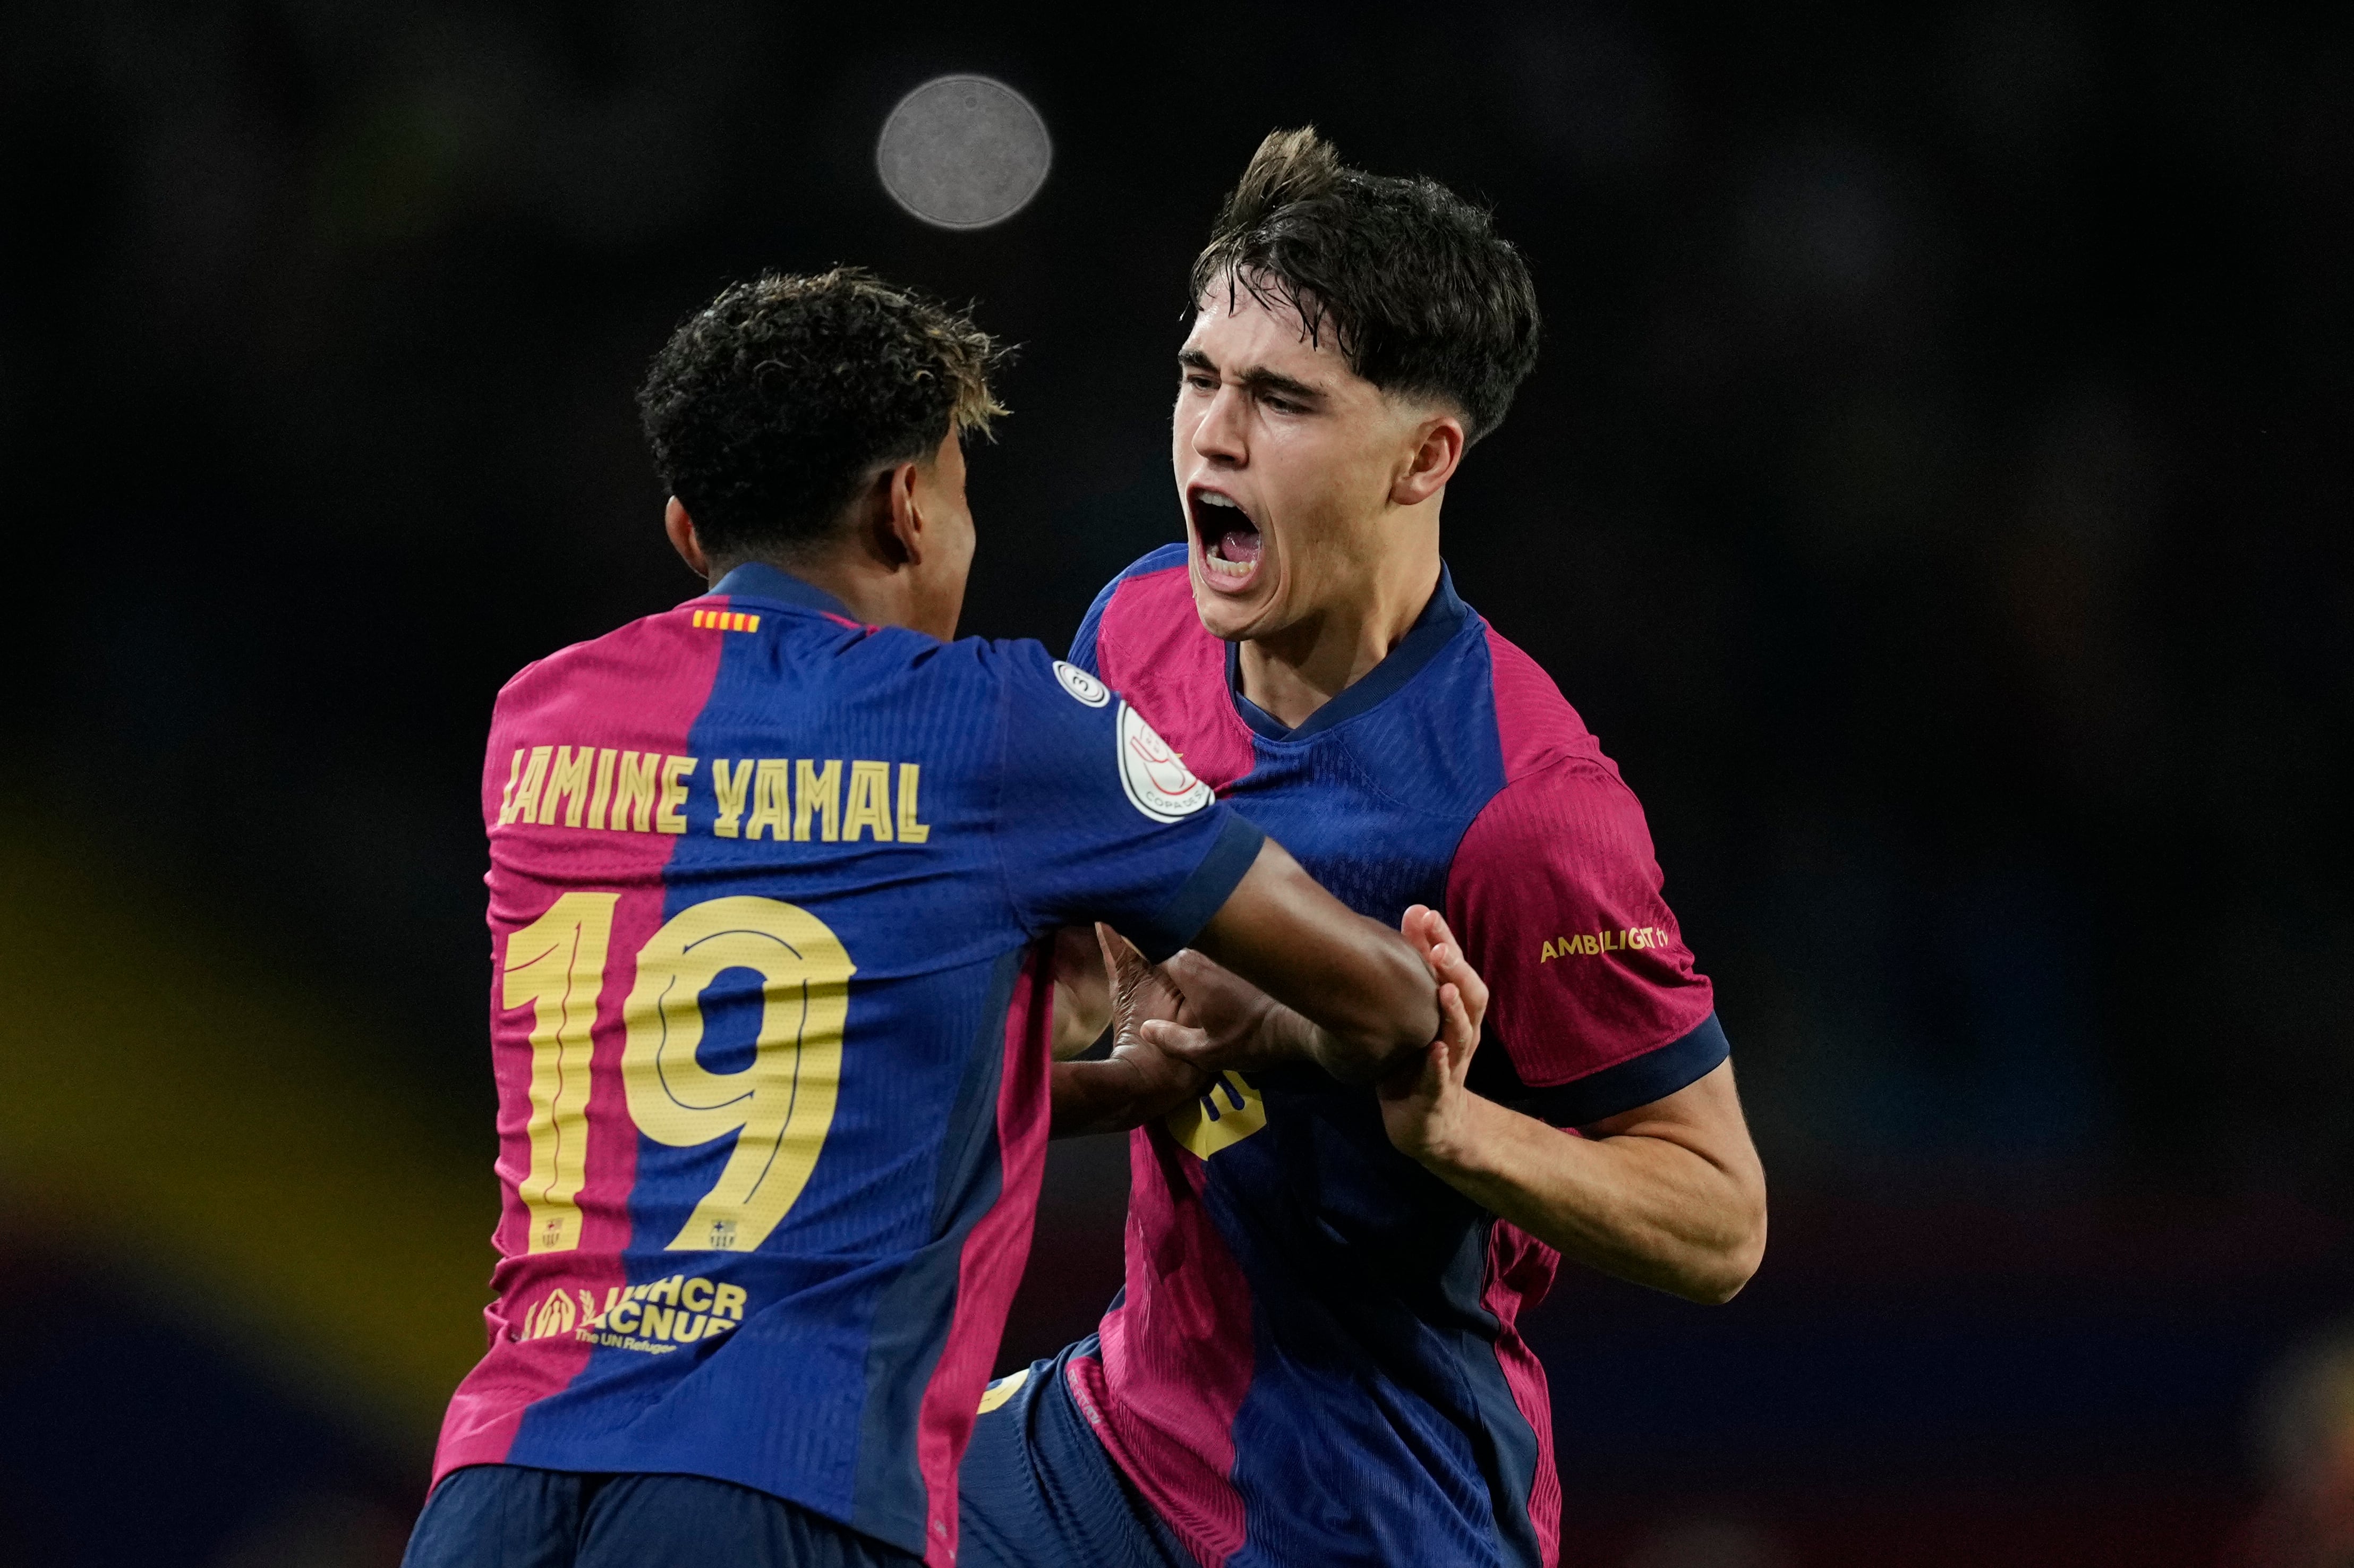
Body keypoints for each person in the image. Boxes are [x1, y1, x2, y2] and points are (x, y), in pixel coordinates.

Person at [400, 267, 1459, 1568]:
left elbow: (736, 1088)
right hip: (786, 1489)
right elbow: (1384, 1001)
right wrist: (1357, 1002)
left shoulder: (541, 722)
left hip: (500, 1481)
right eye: (960, 494)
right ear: (908, 507)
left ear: (688, 531)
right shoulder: (1005, 724)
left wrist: (1094, 1079)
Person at [958, 131, 1769, 1568]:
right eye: (1200, 377)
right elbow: (1085, 991)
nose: (1211, 434)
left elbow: (1719, 1222)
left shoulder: (1524, 812)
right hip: (1120, 1438)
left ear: (1424, 458)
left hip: (1367, 1513)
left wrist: (1453, 1128)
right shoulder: (1138, 627)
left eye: (1280, 400)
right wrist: (1113, 1029)